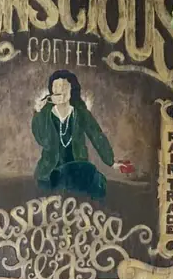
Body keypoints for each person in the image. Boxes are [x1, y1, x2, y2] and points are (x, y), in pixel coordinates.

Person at [31, 70, 115, 201]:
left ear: (72, 90)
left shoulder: (80, 113)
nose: (60, 90)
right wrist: (38, 112)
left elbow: (97, 135)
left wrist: (111, 161)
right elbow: (42, 139)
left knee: (91, 178)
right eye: (56, 86)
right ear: (51, 90)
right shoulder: (46, 113)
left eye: (64, 86)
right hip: (50, 171)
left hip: (78, 168)